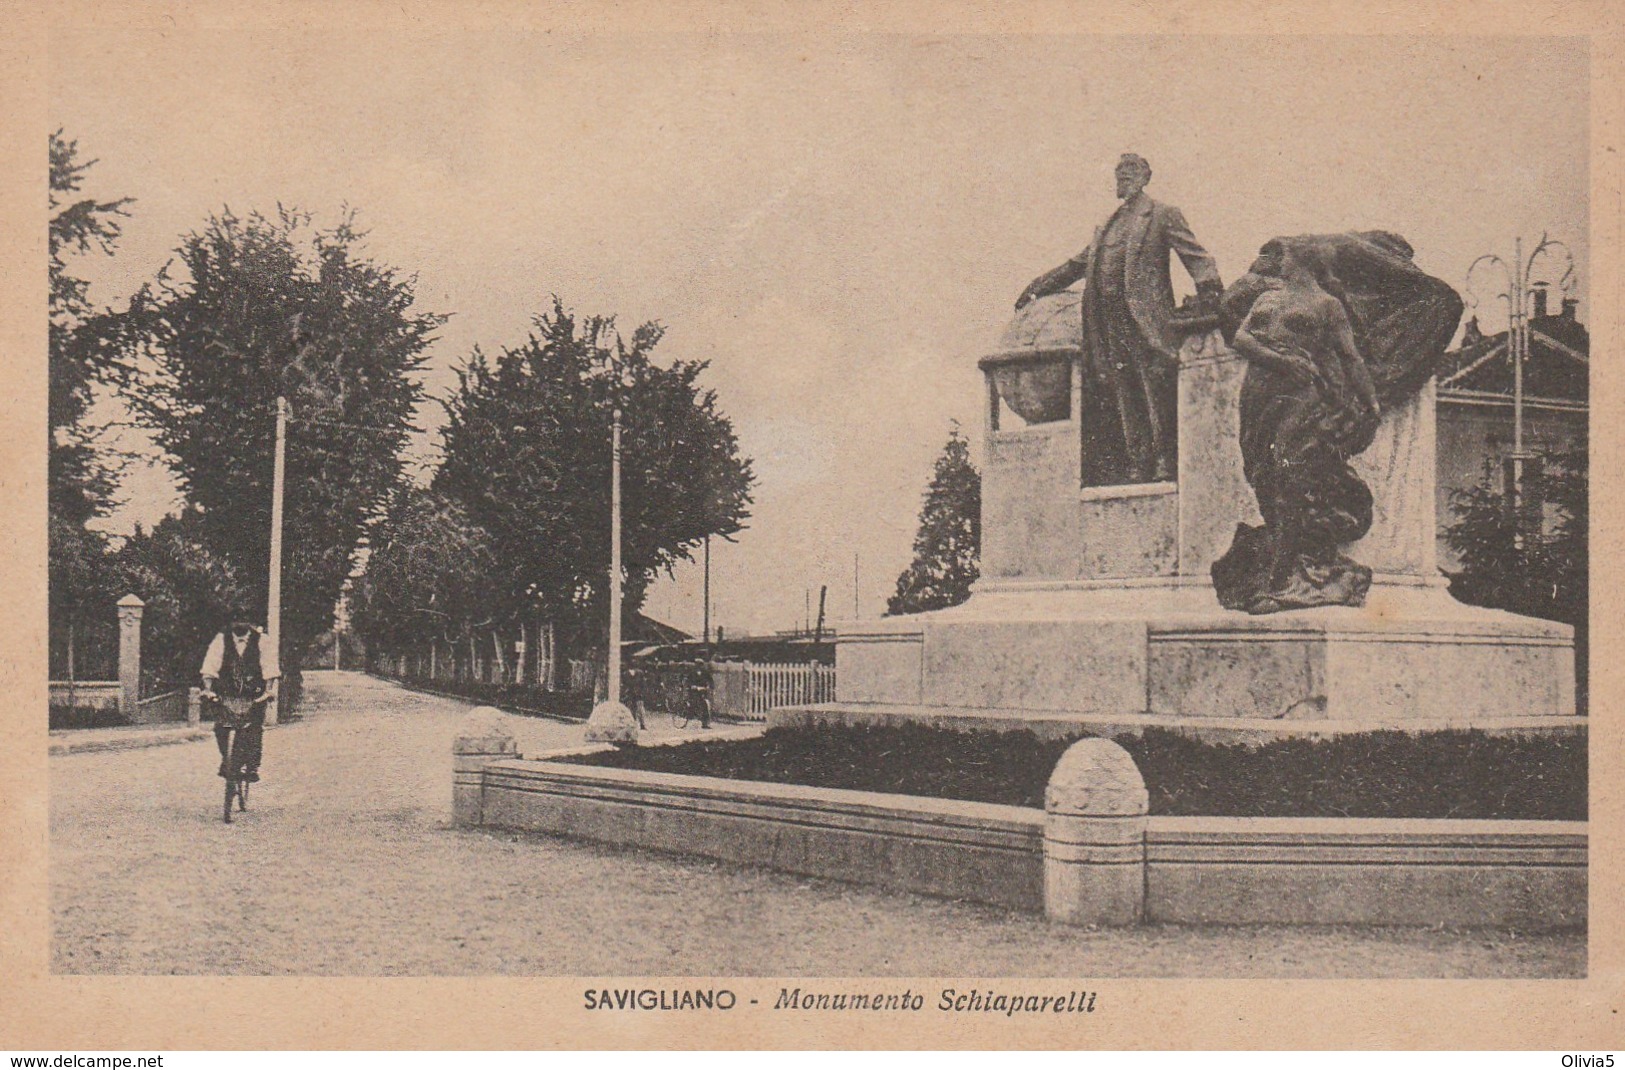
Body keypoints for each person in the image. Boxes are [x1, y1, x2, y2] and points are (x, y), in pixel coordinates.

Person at [1017, 153, 1223, 485]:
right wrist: (1038, 286)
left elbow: (1195, 254)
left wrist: (1210, 287)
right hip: (1109, 322)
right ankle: (1139, 459)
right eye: (1118, 173)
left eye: (1130, 172)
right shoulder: (1106, 228)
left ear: (1145, 177)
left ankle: (1166, 458)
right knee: (1124, 391)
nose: (1122, 178)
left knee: (1155, 387)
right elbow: (1075, 265)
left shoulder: (1161, 215)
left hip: (1147, 321)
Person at [1213, 245, 1381, 613]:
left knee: (1287, 475)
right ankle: (1282, 556)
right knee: (1259, 471)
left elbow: (1351, 358)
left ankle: (1282, 576)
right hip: (1259, 397)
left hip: (1299, 399)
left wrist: (1371, 402)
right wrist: (1282, 359)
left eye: (1286, 258)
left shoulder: (1326, 306)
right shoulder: (1269, 300)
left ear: (1303, 264)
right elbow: (1241, 339)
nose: (1281, 263)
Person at [200, 618, 279, 782]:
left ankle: (251, 766)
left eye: (244, 621)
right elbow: (210, 665)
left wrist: (268, 691)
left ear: (250, 622)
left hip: (254, 693)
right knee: (221, 727)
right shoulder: (222, 639)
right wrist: (208, 689)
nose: (239, 624)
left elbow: (269, 667)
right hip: (228, 693)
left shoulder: (262, 640)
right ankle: (226, 759)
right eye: (235, 620)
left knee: (254, 728)